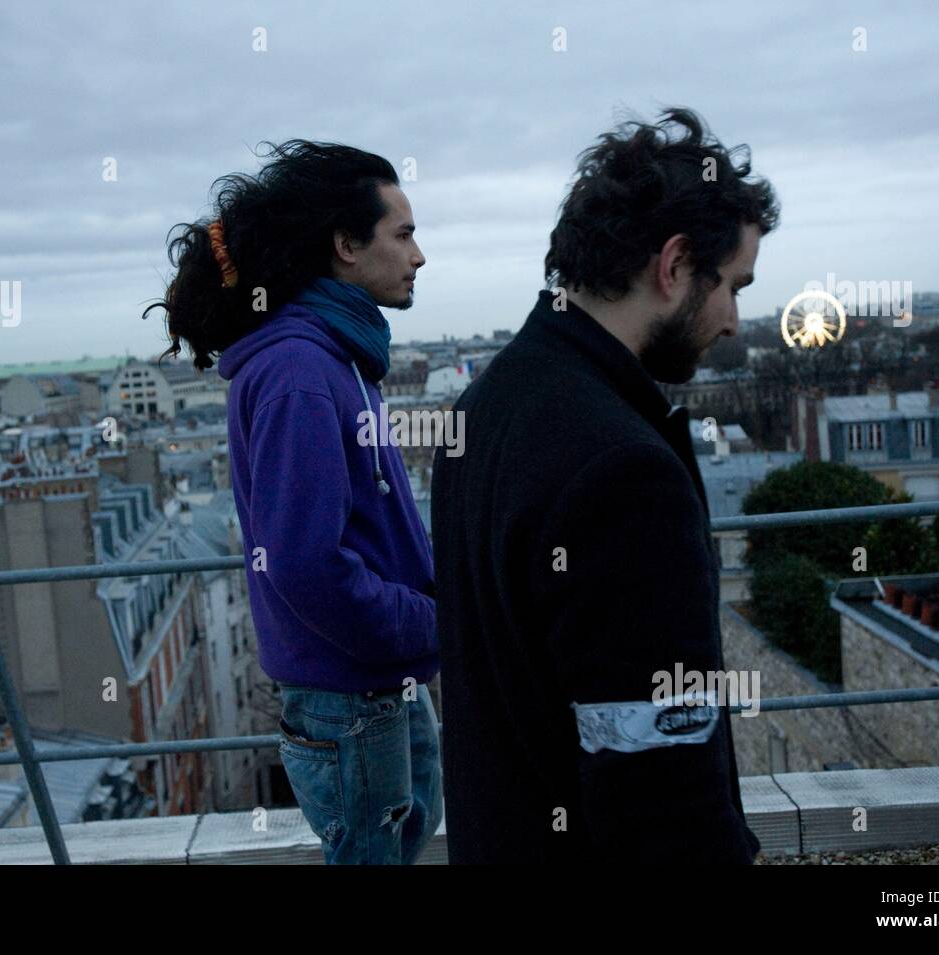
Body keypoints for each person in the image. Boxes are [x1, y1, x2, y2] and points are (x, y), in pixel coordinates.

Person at [431, 108, 780, 863]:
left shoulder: (483, 409)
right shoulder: (625, 472)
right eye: (733, 285)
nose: (733, 321)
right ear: (675, 264)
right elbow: (661, 794)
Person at [146, 140, 441, 864]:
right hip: (355, 693)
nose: (420, 254)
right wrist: (430, 622)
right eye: (402, 234)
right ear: (345, 244)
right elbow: (307, 566)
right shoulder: (301, 369)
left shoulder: (327, 354)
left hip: (372, 681)